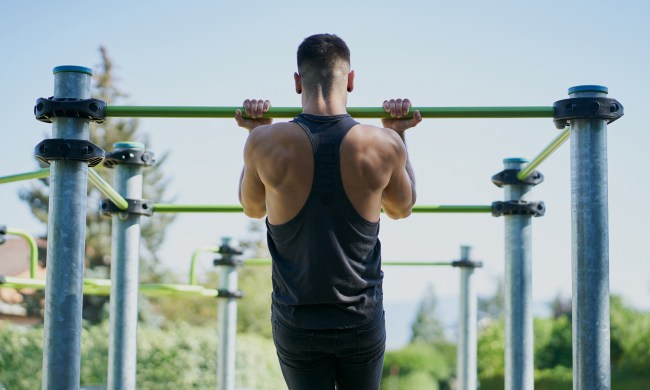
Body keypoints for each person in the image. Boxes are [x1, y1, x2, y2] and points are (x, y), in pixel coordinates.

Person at [235, 34, 421, 390]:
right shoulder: (383, 144)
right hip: (360, 319)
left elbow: (253, 207)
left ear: (297, 82)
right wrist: (398, 134)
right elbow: (401, 209)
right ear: (351, 80)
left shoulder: (264, 142)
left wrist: (255, 134)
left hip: (297, 320)